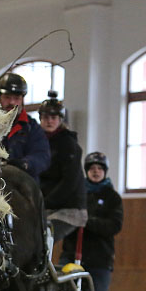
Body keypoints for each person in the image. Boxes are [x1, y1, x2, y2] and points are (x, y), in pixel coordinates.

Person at [61, 151, 123, 291]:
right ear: (87, 171)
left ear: (104, 171)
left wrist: (88, 222)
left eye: (99, 168)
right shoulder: (76, 194)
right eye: (92, 168)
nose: (96, 171)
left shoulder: (112, 197)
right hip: (72, 253)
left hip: (100, 258)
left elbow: (114, 225)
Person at [37, 90, 86, 244]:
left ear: (60, 120)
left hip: (69, 209)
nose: (49, 121)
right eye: (45, 117)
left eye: (53, 117)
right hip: (45, 206)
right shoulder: (38, 144)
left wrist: (44, 201)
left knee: (43, 239)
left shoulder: (69, 144)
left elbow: (70, 181)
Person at [0, 72, 50, 182]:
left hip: (21, 183)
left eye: (16, 98)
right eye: (7, 97)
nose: (11, 102)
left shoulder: (32, 127)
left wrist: (25, 164)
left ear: (22, 100)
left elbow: (42, 156)